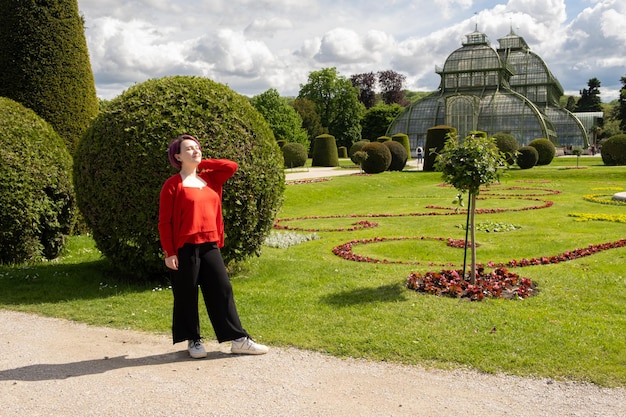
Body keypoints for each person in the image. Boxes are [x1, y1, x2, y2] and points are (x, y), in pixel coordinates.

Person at [158, 134, 268, 358]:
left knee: (222, 289)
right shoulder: (172, 185)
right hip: (184, 247)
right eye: (188, 149)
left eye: (197, 147)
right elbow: (164, 222)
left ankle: (238, 339)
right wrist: (169, 252)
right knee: (186, 294)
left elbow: (231, 166)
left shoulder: (210, 180)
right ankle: (194, 340)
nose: (195, 151)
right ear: (177, 156)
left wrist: (200, 163)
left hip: (209, 245)